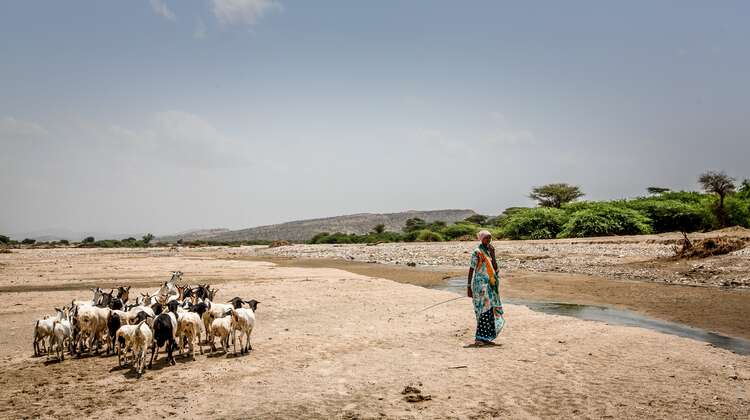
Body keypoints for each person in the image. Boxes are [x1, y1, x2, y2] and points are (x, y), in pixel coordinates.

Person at [467, 230, 505, 346]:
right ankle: (479, 338)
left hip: (490, 285)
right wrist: (469, 286)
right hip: (480, 285)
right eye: (486, 238)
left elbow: (496, 269)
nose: (488, 240)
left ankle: (486, 337)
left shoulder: (489, 251)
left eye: (490, 238)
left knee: (490, 310)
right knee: (482, 310)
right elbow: (471, 269)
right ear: (481, 239)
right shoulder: (477, 252)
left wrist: (493, 254)